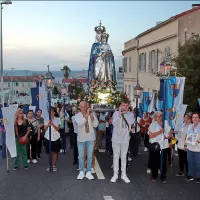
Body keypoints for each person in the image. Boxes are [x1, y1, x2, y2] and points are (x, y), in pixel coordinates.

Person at [111, 101, 134, 183]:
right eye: (123, 105)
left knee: (124, 157)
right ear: (120, 106)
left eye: (126, 105)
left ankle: (124, 175)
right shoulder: (116, 113)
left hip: (125, 139)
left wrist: (125, 114)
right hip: (116, 139)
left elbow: (131, 122)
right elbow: (114, 123)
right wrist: (120, 115)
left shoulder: (130, 114)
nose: (125, 107)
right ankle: (115, 175)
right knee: (116, 157)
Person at [75, 101, 98, 180]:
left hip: (90, 138)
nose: (83, 108)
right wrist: (86, 116)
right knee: (81, 156)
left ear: (87, 106)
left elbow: (96, 125)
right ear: (79, 107)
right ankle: (81, 171)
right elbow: (80, 124)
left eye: (85, 106)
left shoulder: (92, 114)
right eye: (82, 106)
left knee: (89, 155)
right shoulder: (77, 115)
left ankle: (88, 171)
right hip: (81, 139)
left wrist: (91, 117)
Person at [148, 111, 172, 183]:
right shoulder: (153, 125)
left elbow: (170, 132)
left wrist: (168, 136)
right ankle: (154, 176)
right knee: (155, 161)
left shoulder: (165, 123)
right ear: (155, 117)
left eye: (161, 116)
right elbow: (151, 135)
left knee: (163, 162)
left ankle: (163, 176)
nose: (160, 117)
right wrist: (160, 132)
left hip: (164, 146)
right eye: (158, 116)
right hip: (156, 146)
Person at [44, 107, 61, 172]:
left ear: (54, 112)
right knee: (49, 152)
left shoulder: (57, 119)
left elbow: (57, 129)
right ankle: (49, 164)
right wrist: (48, 125)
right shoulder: (46, 119)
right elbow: (45, 129)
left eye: (52, 111)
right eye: (49, 111)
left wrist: (52, 124)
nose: (50, 112)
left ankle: (54, 165)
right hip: (48, 137)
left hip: (56, 137)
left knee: (55, 152)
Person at [185, 112, 200, 183]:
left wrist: (198, 140)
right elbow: (187, 136)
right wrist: (185, 145)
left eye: (196, 117)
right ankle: (190, 175)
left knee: (198, 163)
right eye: (193, 117)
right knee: (190, 162)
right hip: (190, 148)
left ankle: (198, 176)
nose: (195, 119)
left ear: (199, 119)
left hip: (198, 148)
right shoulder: (190, 126)